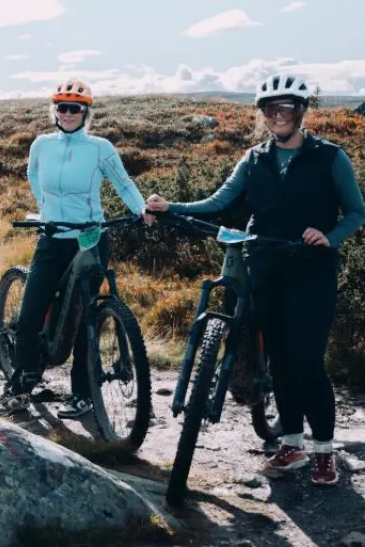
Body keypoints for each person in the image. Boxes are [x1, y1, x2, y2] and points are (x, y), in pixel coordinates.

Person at [146, 74, 365, 487]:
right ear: (262, 115)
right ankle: (293, 444)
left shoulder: (330, 157)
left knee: (307, 362)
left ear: (301, 111)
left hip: (312, 270)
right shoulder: (254, 158)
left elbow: (357, 211)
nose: (278, 116)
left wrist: (329, 236)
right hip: (264, 266)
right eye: (270, 109)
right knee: (279, 360)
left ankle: (323, 449)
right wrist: (170, 204)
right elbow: (218, 201)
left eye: (286, 107)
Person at [10, 79, 153, 416]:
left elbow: (123, 182)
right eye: (62, 106)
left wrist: (141, 209)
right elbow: (33, 176)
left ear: (86, 112)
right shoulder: (42, 145)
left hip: (90, 241)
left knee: (83, 316)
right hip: (52, 239)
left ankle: (82, 394)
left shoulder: (100, 148)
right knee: (30, 314)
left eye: (75, 108)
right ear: (54, 111)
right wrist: (46, 209)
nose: (69, 113)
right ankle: (21, 381)